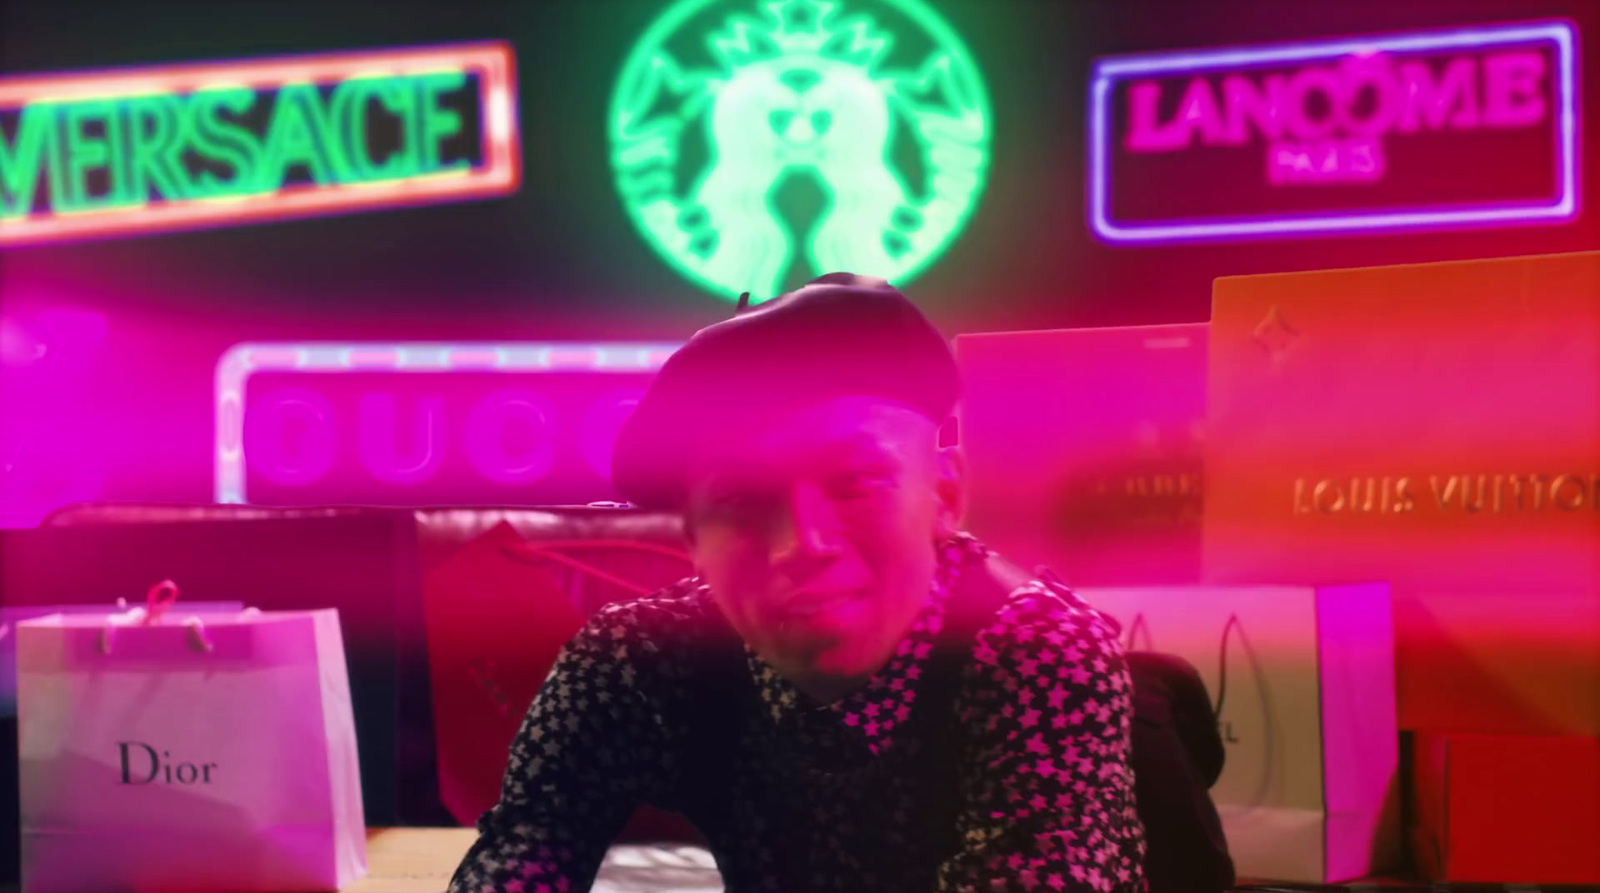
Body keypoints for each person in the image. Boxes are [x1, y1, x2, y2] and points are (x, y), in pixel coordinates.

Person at [448, 274, 1148, 893]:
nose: (801, 544)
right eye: (742, 503)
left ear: (944, 494)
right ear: (693, 540)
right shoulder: (638, 661)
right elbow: (529, 841)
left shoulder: (1037, 651)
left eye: (854, 484)